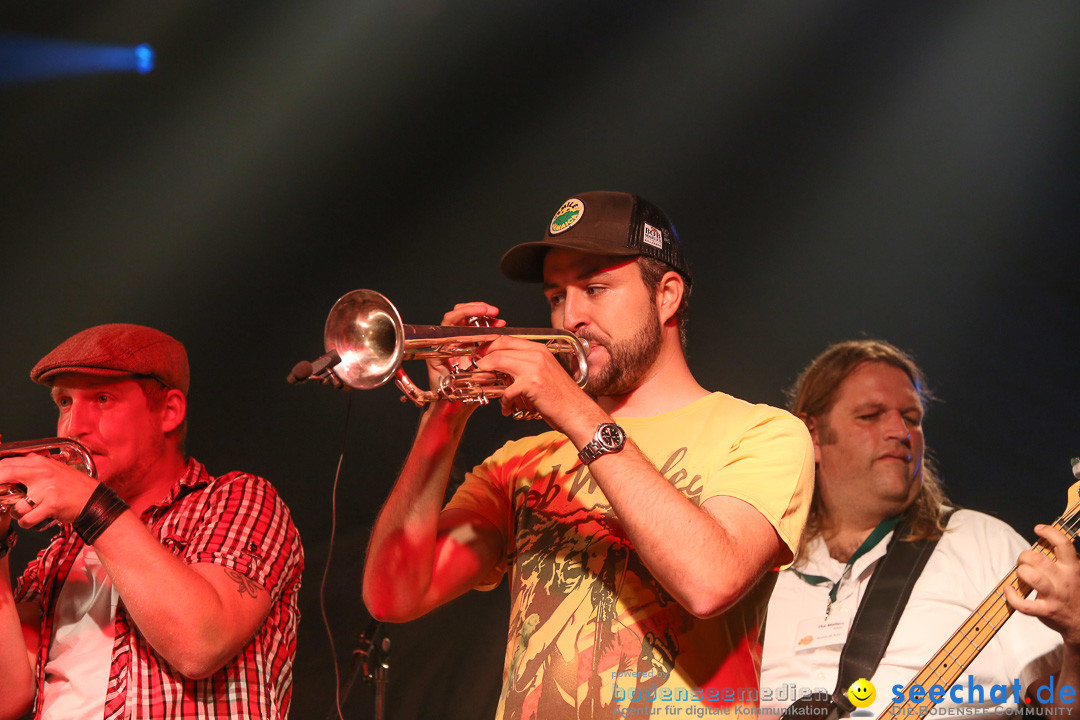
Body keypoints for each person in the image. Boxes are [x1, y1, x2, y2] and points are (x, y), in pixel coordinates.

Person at [361, 190, 816, 719]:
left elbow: (709, 581)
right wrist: (444, 413)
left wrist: (571, 408)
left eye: (595, 289)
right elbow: (393, 595)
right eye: (556, 296)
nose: (569, 316)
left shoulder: (762, 433)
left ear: (666, 295)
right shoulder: (519, 464)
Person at [760, 339, 1079, 717]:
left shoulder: (980, 541)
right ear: (811, 434)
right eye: (871, 415)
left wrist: (1077, 639)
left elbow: (1064, 709)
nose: (900, 430)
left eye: (912, 418)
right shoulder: (761, 564)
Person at [0, 324, 303, 719]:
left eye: (102, 398)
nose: (73, 427)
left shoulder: (237, 499)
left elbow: (199, 644)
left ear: (169, 411)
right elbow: (8, 696)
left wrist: (91, 506)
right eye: (64, 402)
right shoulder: (60, 550)